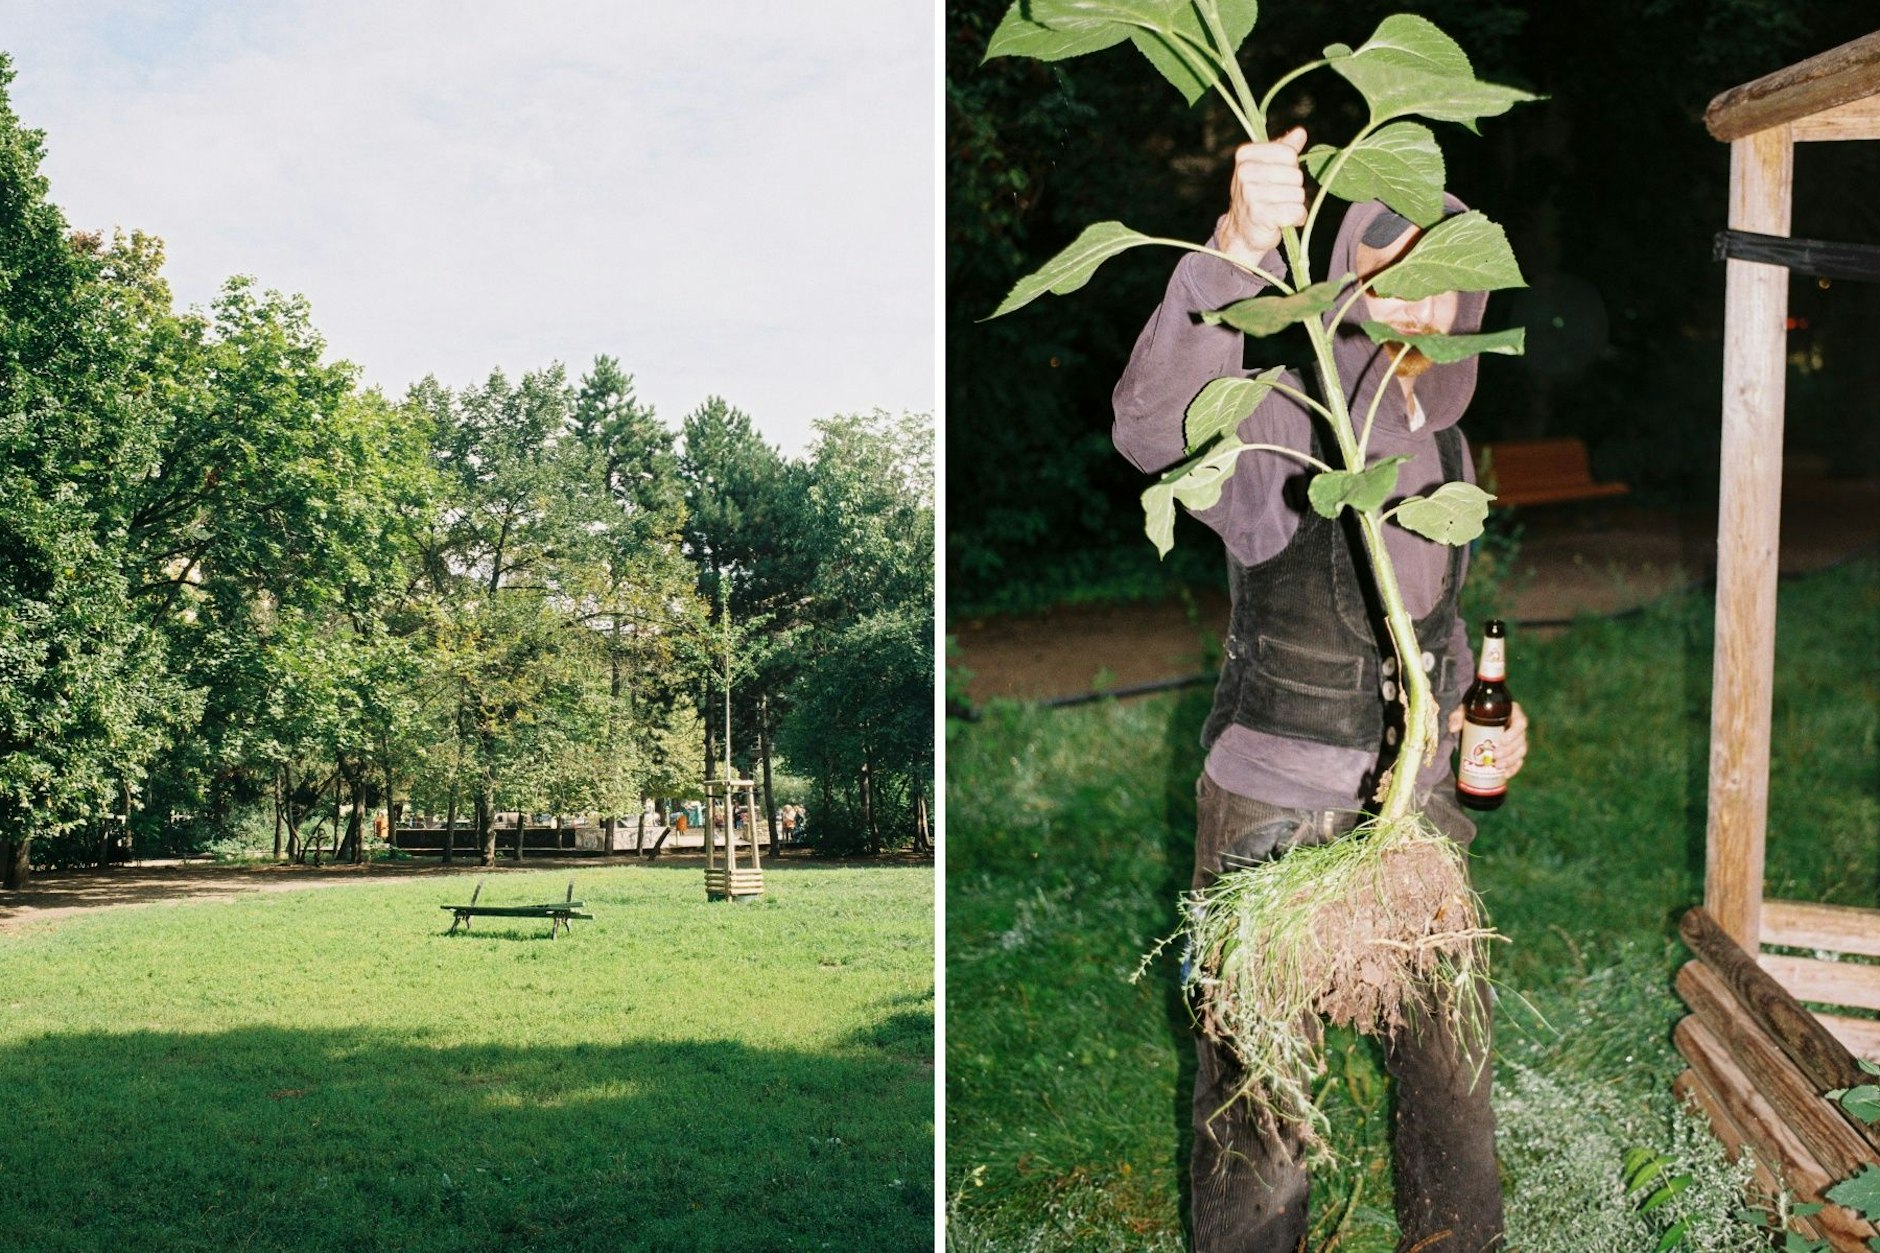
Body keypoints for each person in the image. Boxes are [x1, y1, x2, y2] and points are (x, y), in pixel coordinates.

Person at [1113, 129, 1530, 1252]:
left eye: (1439, 282)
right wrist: (1226, 250)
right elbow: (1151, 429)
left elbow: (1430, 613)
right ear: (1341, 278)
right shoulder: (1280, 416)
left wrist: (1476, 707)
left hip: (1414, 805)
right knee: (1257, 1085)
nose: (1415, 305)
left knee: (1451, 1056)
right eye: (1386, 272)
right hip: (1275, 806)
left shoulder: (1442, 444)